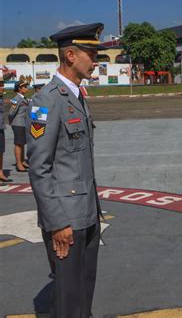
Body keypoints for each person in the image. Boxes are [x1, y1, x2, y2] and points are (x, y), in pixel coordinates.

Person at [26, 22, 105, 317]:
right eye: (91, 53)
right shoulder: (47, 100)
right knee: (68, 302)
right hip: (66, 222)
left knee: (84, 294)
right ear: (70, 55)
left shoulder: (77, 96)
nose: (95, 60)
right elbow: (39, 167)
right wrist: (57, 222)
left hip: (87, 214)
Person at [9, 80, 30, 172]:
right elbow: (10, 113)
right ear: (19, 89)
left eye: (26, 86)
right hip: (18, 124)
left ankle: (22, 161)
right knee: (18, 144)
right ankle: (18, 164)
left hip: (23, 124)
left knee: (22, 143)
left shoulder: (23, 98)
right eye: (24, 87)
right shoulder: (16, 99)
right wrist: (12, 123)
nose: (26, 88)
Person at [0, 73, 12, 183]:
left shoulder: (1, 99)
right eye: (0, 85)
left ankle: (0, 172)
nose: (2, 88)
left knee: (1, 151)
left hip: (1, 128)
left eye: (2, 85)